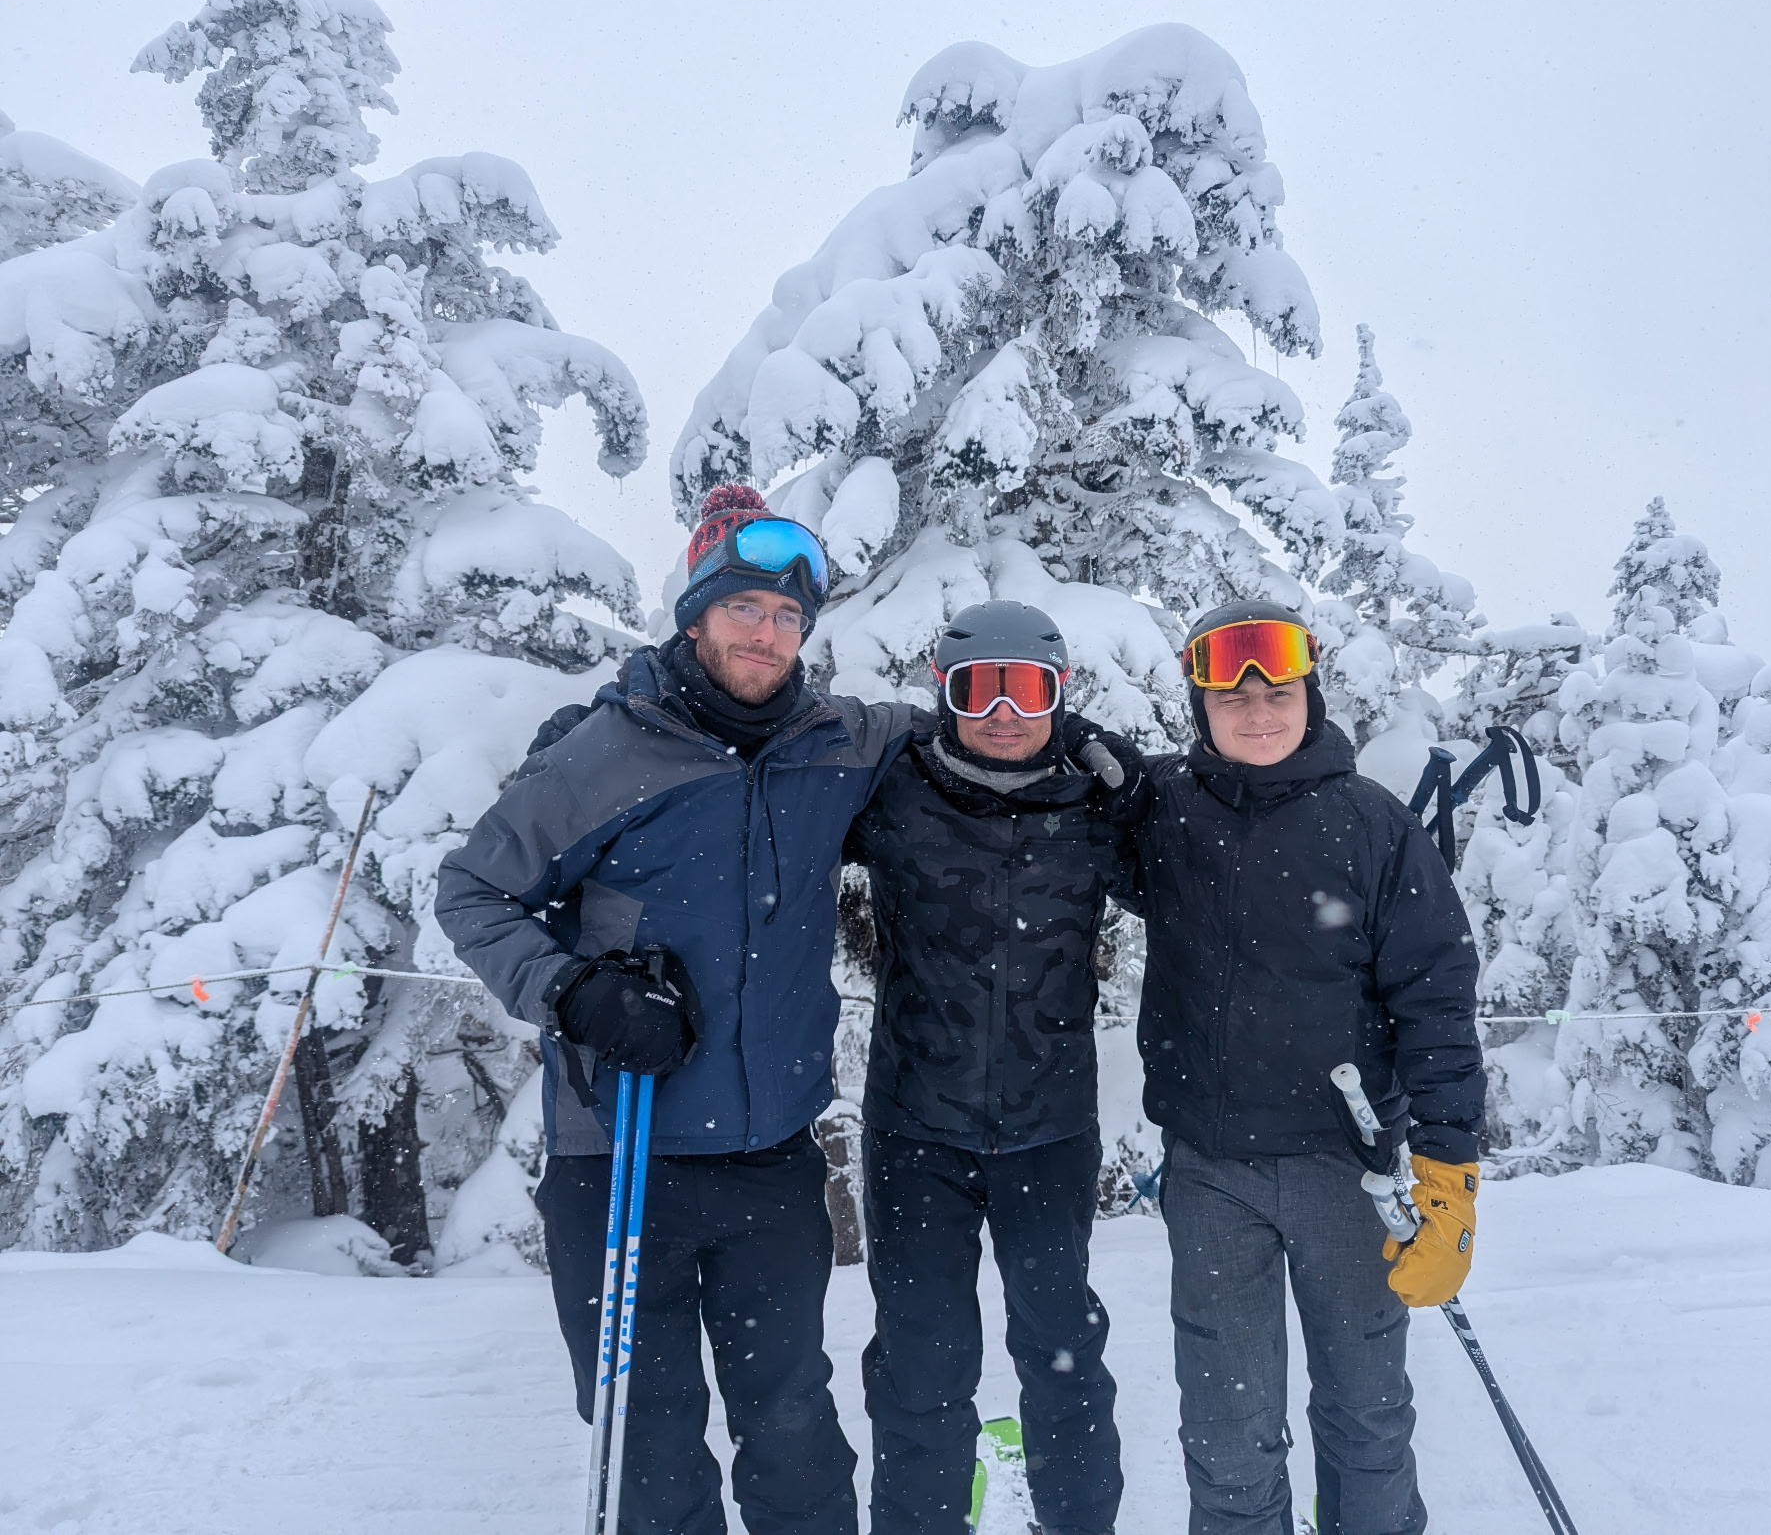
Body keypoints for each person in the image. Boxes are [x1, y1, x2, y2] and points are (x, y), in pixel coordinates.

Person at [437, 485, 917, 1535]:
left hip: (770, 1158)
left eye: (789, 617)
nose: (768, 633)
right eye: (745, 608)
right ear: (694, 615)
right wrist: (574, 990)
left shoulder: (837, 741)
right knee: (645, 1443)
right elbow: (472, 891)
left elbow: (977, 734)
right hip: (620, 1155)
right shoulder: (604, 752)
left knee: (792, 1427)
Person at [1128, 600, 1483, 1535]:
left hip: (1347, 1170)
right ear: (1198, 704)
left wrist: (1450, 1173)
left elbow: (1437, 1001)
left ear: (1309, 695)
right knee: (1227, 1431)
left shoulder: (1373, 826)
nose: (1257, 714)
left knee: (1366, 1417)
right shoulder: (1161, 810)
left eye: (1278, 692)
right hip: (1209, 1174)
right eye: (1232, 697)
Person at [844, 600, 1141, 1535]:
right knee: (920, 1358)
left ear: (1059, 695)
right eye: (981, 687)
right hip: (913, 1132)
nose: (1004, 709)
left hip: (1048, 1133)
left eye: (1030, 687)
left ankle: (1077, 1521)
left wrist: (1126, 774)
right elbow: (765, 794)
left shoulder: (1100, 808)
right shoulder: (892, 793)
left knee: (1061, 1350)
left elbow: (1216, 863)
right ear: (946, 694)